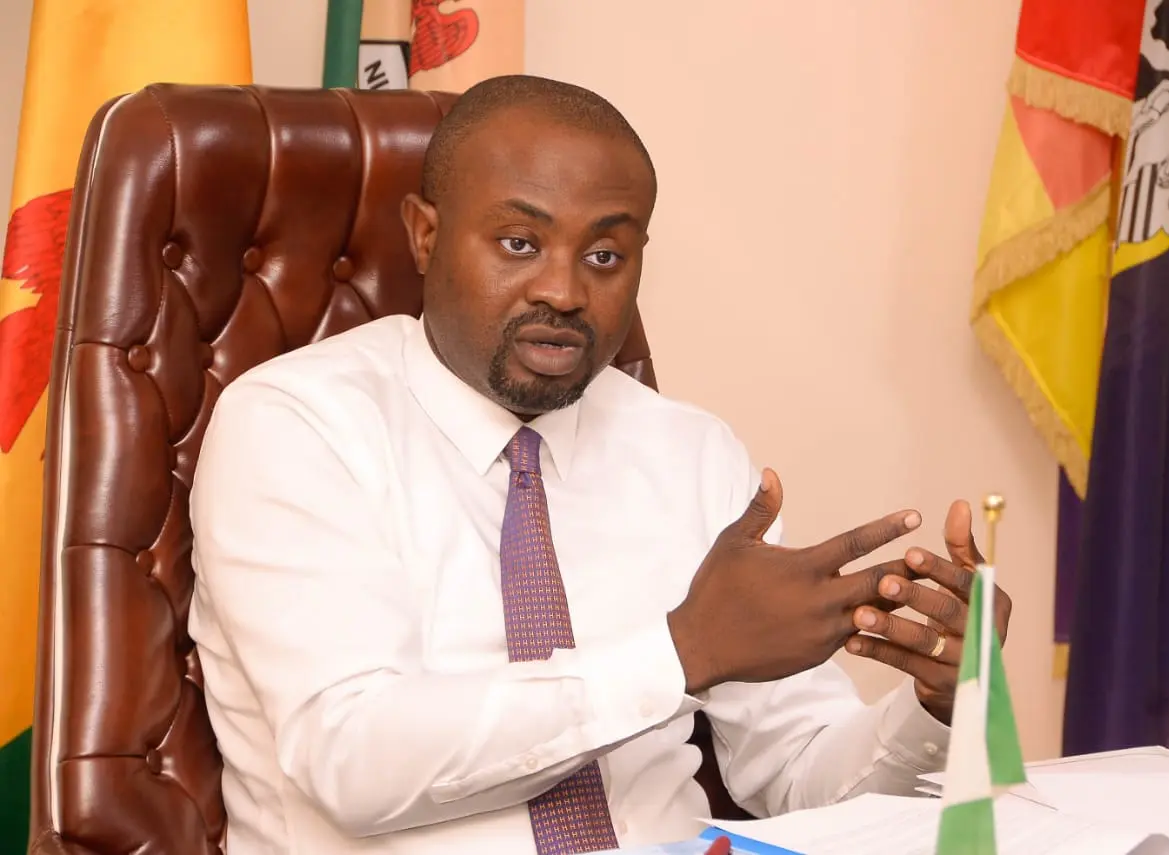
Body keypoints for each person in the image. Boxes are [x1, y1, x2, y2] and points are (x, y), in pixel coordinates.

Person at [189, 74, 1014, 855]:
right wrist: (680, 652)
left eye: (606, 256)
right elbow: (351, 759)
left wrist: (938, 703)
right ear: (425, 234)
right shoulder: (296, 425)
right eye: (520, 242)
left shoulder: (690, 452)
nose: (564, 291)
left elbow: (803, 774)